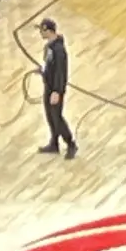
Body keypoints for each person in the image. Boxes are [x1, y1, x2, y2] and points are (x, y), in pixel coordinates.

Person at [38, 21, 75, 157]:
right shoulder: (49, 47)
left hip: (55, 89)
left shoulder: (59, 50)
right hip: (48, 86)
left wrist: (57, 91)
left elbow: (61, 72)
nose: (40, 33)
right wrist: (43, 72)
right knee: (49, 115)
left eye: (42, 30)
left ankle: (71, 144)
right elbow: (49, 65)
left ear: (49, 31)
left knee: (57, 117)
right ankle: (54, 142)